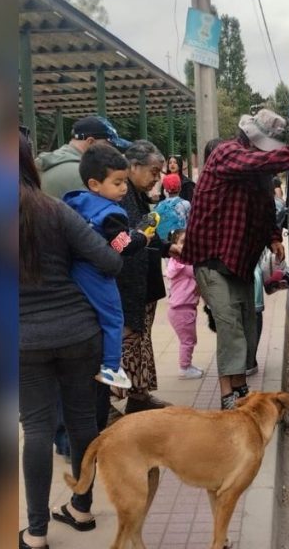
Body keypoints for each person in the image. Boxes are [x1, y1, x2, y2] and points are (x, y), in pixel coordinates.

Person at [19, 131, 121, 549]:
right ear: (29, 164)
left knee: (38, 430)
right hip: (80, 333)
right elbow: (110, 261)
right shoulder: (56, 211)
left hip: (24, 339)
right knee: (83, 423)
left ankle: (38, 532)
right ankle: (81, 509)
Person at [183, 110, 289, 409]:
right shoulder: (227, 153)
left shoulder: (260, 173)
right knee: (230, 324)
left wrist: (274, 237)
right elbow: (255, 162)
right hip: (211, 257)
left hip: (239, 260)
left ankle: (241, 388)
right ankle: (228, 396)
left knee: (247, 323)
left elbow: (265, 208)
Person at [63, 144, 159, 390]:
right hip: (97, 275)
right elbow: (121, 245)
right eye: (117, 183)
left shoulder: (78, 201)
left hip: (75, 271)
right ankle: (110, 367)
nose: (124, 189)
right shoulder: (112, 214)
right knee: (114, 318)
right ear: (94, 184)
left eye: (125, 182)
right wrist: (141, 236)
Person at [117, 140, 177, 414]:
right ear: (133, 166)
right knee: (128, 344)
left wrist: (167, 247)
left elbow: (145, 236)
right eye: (154, 172)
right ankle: (109, 403)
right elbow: (124, 243)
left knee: (141, 342)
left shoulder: (137, 196)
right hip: (130, 286)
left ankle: (139, 396)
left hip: (144, 285)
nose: (157, 179)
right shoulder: (120, 196)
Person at [35, 116, 131, 199]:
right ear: (90, 142)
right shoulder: (82, 173)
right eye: (109, 146)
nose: (112, 151)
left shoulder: (50, 162)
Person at [166, 229, 203, 379]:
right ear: (174, 245)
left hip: (182, 308)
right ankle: (184, 368)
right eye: (182, 242)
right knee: (188, 341)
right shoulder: (183, 263)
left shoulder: (177, 261)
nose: (187, 246)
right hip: (182, 309)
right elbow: (197, 273)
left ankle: (188, 365)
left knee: (188, 340)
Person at [153, 173, 190, 241]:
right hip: (180, 241)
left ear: (165, 189)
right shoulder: (185, 204)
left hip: (163, 243)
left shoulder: (158, 206)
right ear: (180, 188)